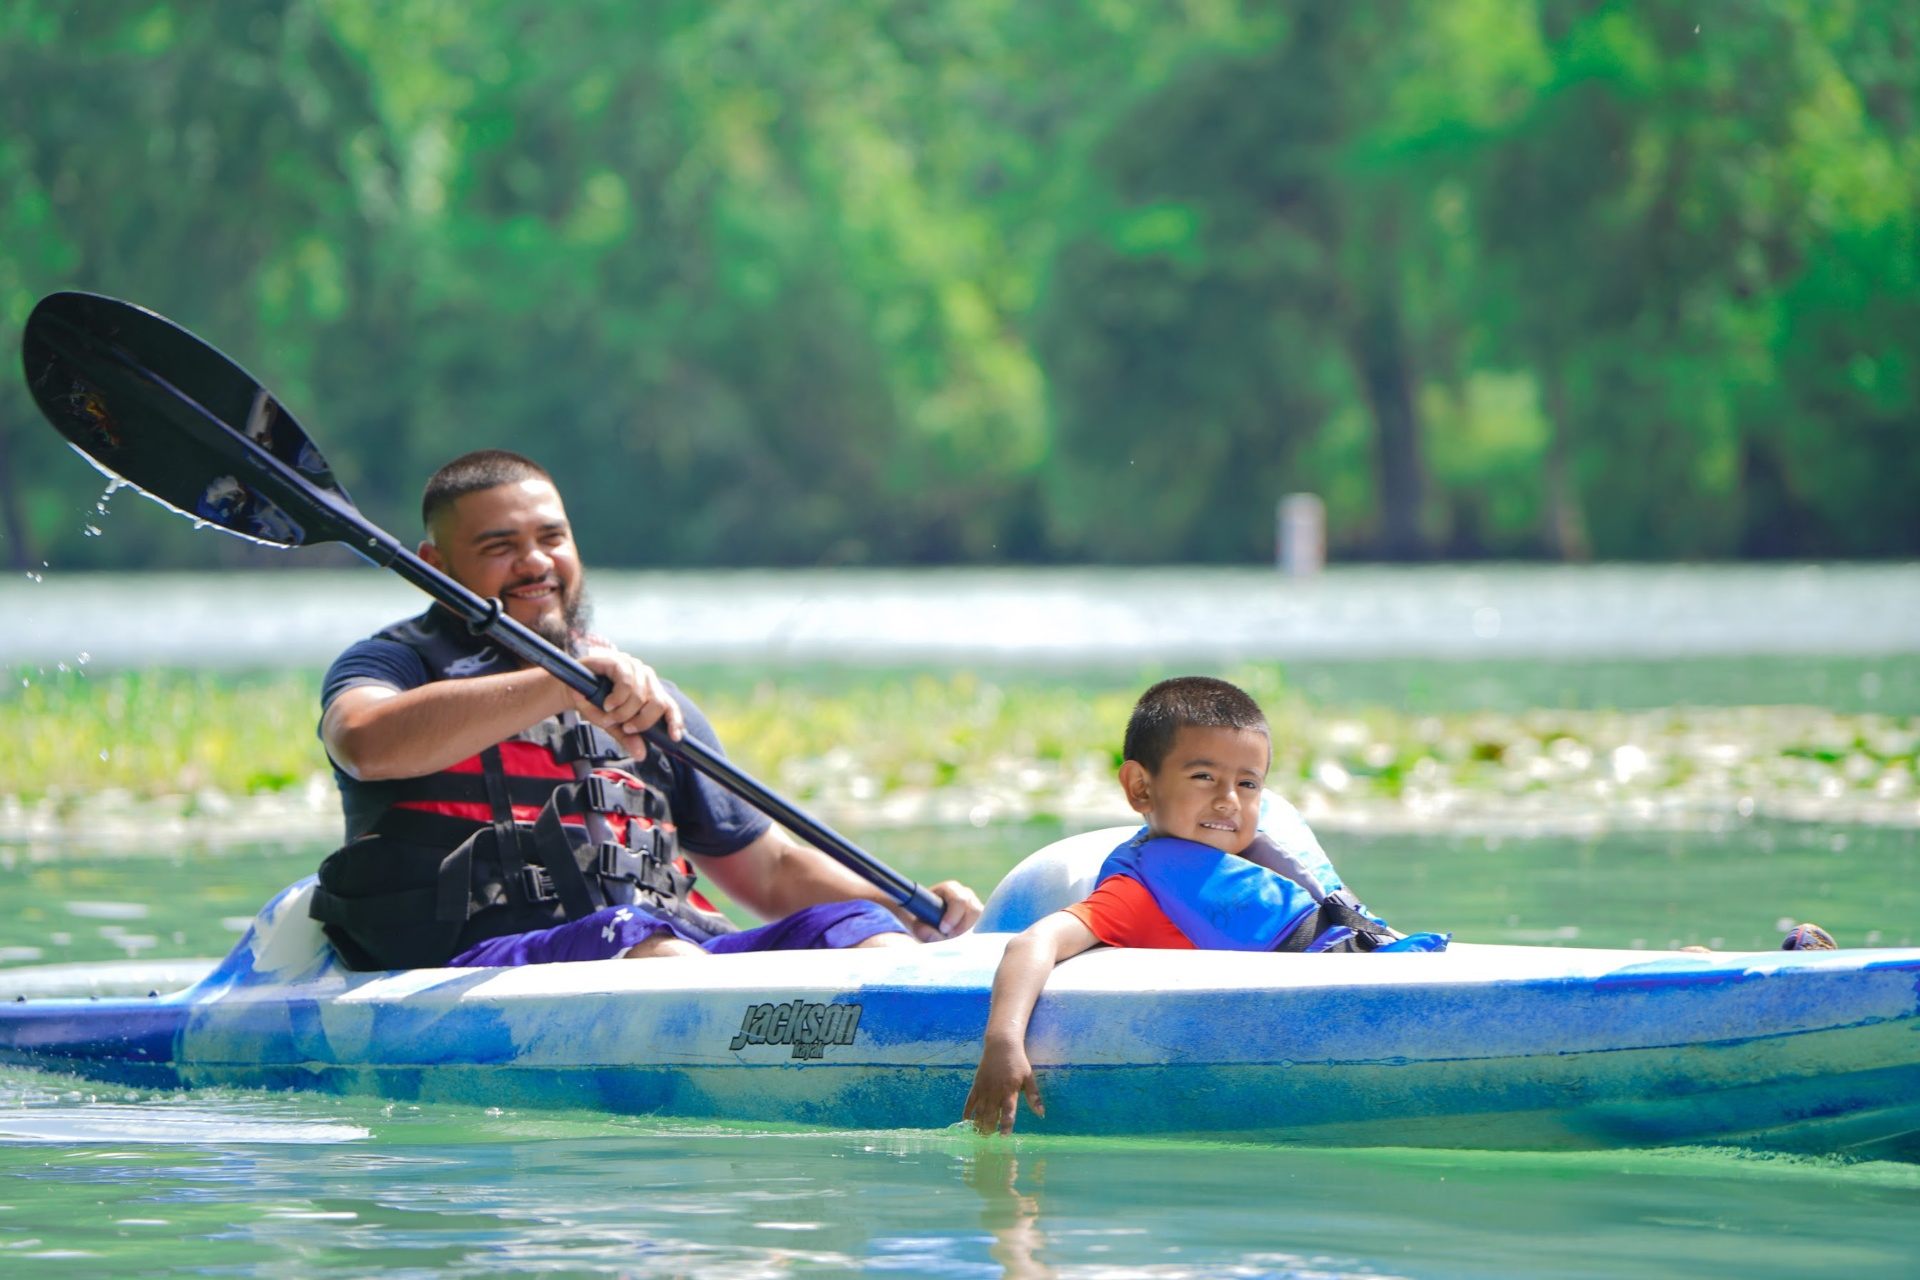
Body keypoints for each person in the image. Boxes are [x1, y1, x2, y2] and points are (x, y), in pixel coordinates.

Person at [309, 449, 982, 970]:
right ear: (434, 564)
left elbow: (770, 869)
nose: (535, 563)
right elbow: (363, 742)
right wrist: (560, 684)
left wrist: (907, 907)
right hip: (480, 961)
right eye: (499, 547)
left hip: (669, 946)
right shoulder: (394, 664)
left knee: (861, 931)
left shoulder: (641, 693)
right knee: (638, 937)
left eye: (552, 538)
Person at [963, 676, 1443, 1135]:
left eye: (1248, 784)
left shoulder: (1264, 859)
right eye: (1203, 776)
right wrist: (1003, 1042)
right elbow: (1033, 943)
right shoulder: (1139, 893)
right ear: (1140, 787)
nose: (1228, 800)